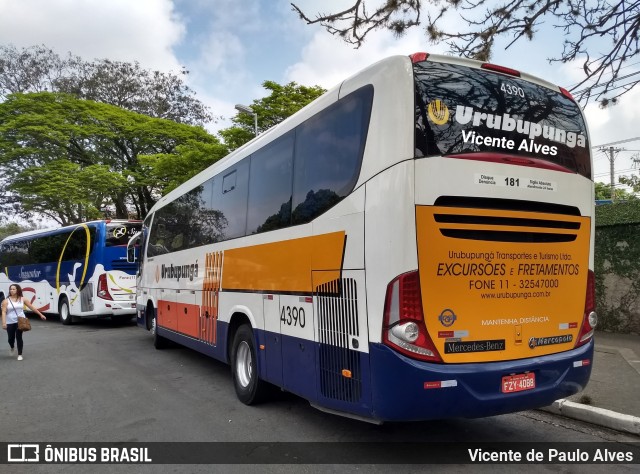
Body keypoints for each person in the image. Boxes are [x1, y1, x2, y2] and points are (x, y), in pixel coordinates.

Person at [1, 284, 47, 361]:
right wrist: (4, 323)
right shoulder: (6, 301)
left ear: (17, 290)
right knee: (10, 338)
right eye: (11, 289)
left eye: (13, 289)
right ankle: (12, 347)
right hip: (10, 322)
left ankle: (20, 354)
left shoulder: (23, 299)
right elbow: (3, 312)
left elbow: (32, 307)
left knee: (19, 337)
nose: (12, 290)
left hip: (21, 321)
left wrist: (40, 314)